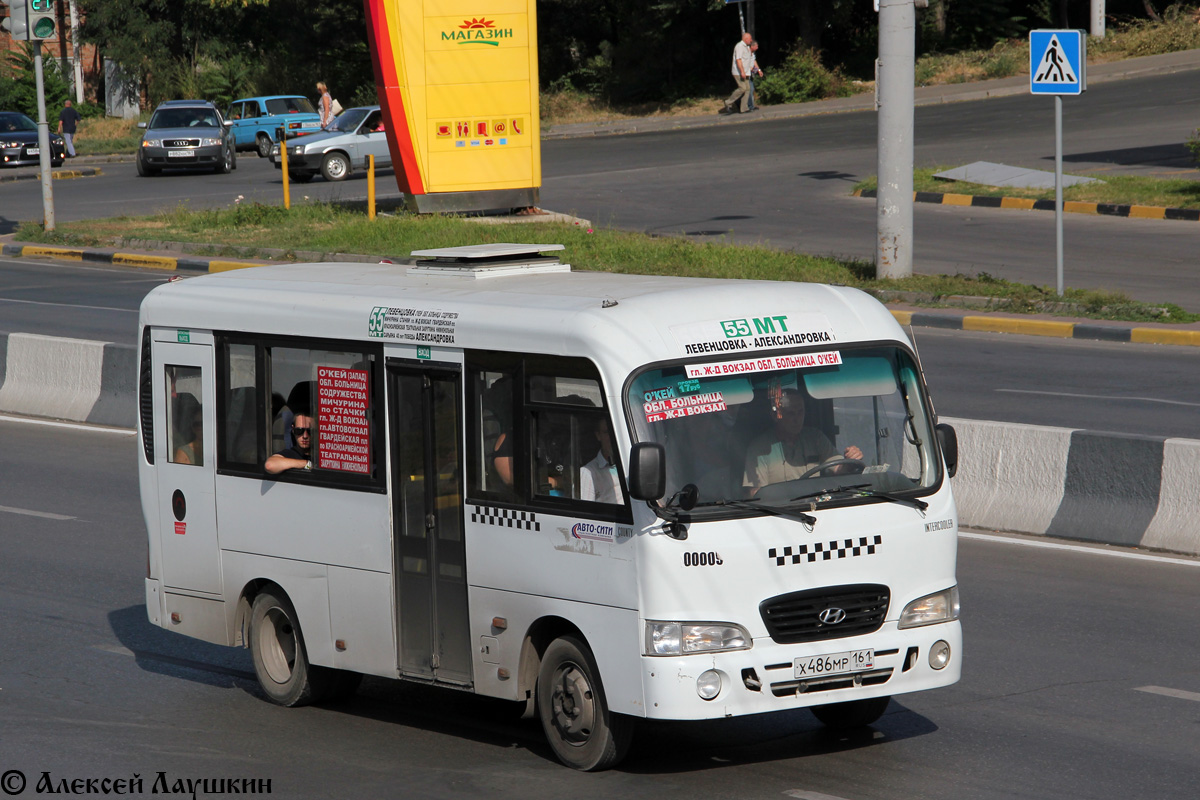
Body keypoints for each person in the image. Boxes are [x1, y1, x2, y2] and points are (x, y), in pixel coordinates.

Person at [744, 387, 862, 493]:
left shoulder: (815, 438)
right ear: (776, 416)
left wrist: (850, 459)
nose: (797, 419)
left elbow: (838, 468)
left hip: (818, 507)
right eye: (791, 414)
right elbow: (756, 493)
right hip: (781, 511)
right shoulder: (759, 449)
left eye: (800, 412)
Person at [579, 424, 621, 503]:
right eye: (607, 432)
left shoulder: (634, 464)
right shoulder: (588, 472)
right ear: (598, 436)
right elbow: (586, 509)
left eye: (615, 432)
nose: (612, 437)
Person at [721, 32, 754, 115]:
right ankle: (728, 102)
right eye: (750, 39)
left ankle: (744, 108)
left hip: (745, 72)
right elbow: (738, 60)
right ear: (746, 39)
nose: (751, 40)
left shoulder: (746, 47)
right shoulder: (739, 46)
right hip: (739, 72)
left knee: (747, 89)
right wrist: (742, 71)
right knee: (742, 88)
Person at [747, 40, 764, 111]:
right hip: (746, 73)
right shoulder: (746, 52)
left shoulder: (753, 53)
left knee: (751, 89)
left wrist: (758, 70)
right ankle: (749, 106)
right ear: (752, 46)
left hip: (751, 73)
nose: (757, 48)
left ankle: (750, 105)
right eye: (756, 46)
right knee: (749, 89)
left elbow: (754, 61)